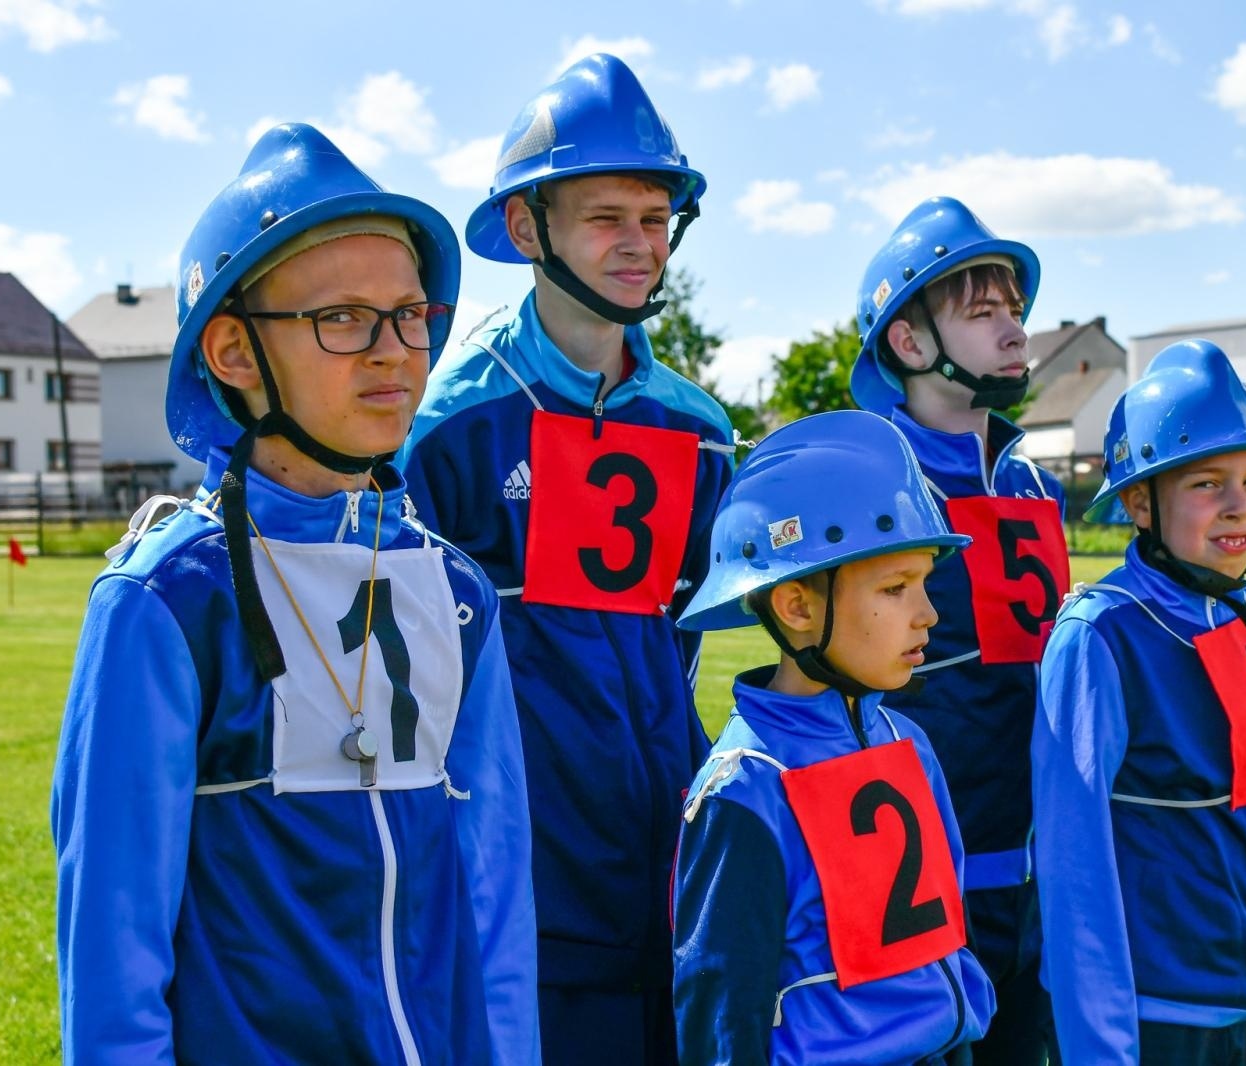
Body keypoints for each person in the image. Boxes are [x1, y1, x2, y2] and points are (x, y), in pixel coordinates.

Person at [51, 123, 539, 1065]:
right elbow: (115, 954)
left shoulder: (459, 591)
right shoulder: (163, 603)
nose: (397, 351)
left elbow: (495, 895)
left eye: (411, 314)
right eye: (344, 318)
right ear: (233, 352)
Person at [400, 53, 734, 1064]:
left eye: (654, 217)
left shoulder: (703, 431)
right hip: (523, 886)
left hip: (671, 864)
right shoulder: (447, 428)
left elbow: (676, 648)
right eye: (606, 218)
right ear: (523, 227)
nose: (640, 246)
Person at [671, 409, 995, 1065]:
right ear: (796, 606)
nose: (929, 613)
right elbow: (722, 1021)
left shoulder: (908, 744)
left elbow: (942, 950)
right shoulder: (747, 787)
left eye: (925, 582)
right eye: (896, 587)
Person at [1031, 339, 1246, 1065]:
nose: (1240, 505)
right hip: (1161, 1019)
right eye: (1206, 484)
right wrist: (1102, 1048)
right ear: (1138, 502)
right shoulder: (1101, 636)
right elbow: (1073, 870)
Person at [851, 196, 1068, 1063]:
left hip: (1037, 881)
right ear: (908, 343)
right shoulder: (867, 491)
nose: (1014, 331)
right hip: (914, 886)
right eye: (983, 313)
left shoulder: (1034, 488)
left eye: (1015, 310)